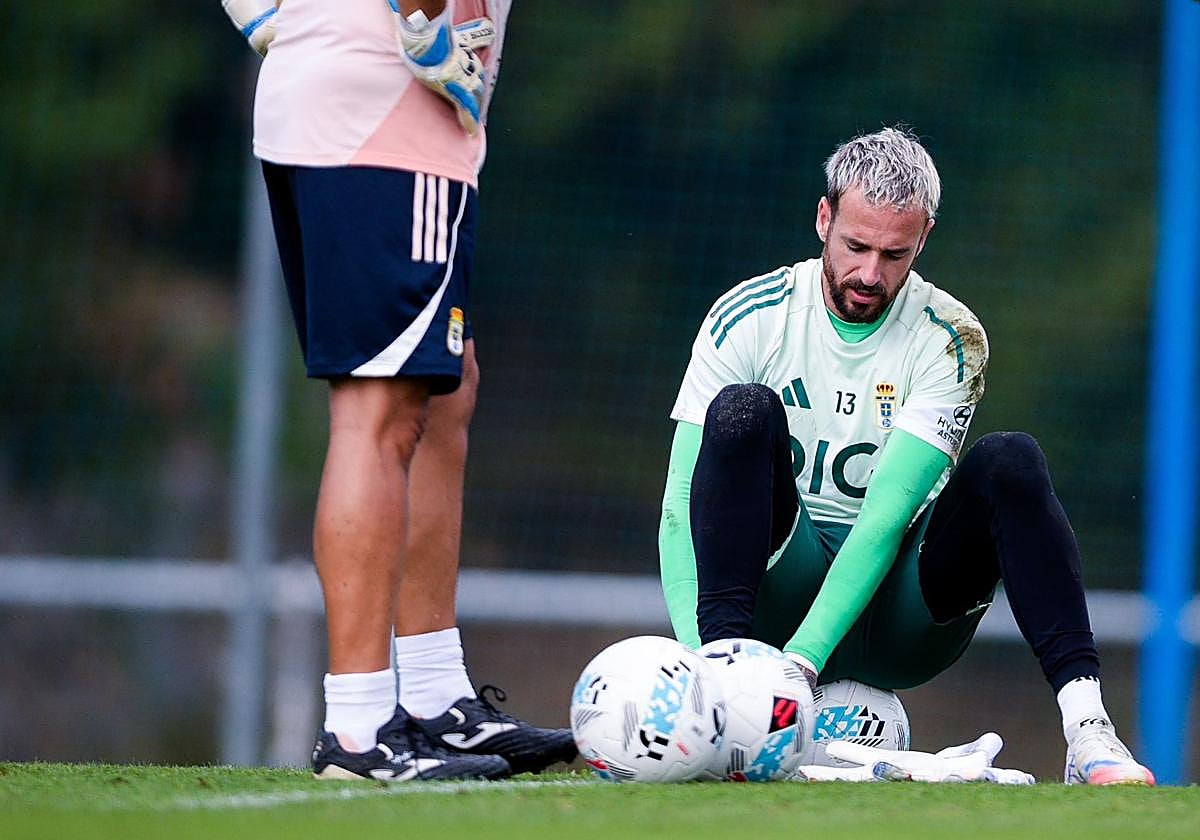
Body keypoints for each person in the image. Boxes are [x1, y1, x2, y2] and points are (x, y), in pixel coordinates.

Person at [658, 126, 1155, 786]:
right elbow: (677, 506)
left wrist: (801, 666)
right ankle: (722, 684)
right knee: (743, 412)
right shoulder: (748, 316)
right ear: (823, 218)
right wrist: (707, 679)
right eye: (855, 246)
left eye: (894, 254)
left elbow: (885, 522)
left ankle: (1089, 734)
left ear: (923, 239)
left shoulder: (953, 338)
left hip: (899, 619)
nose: (870, 274)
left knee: (1011, 460)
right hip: (774, 599)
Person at [222, 0, 576, 780]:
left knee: (447, 388)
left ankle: (433, 697)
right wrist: (426, 29)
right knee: (377, 408)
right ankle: (357, 727)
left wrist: (261, 17)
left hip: (341, 107)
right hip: (387, 116)